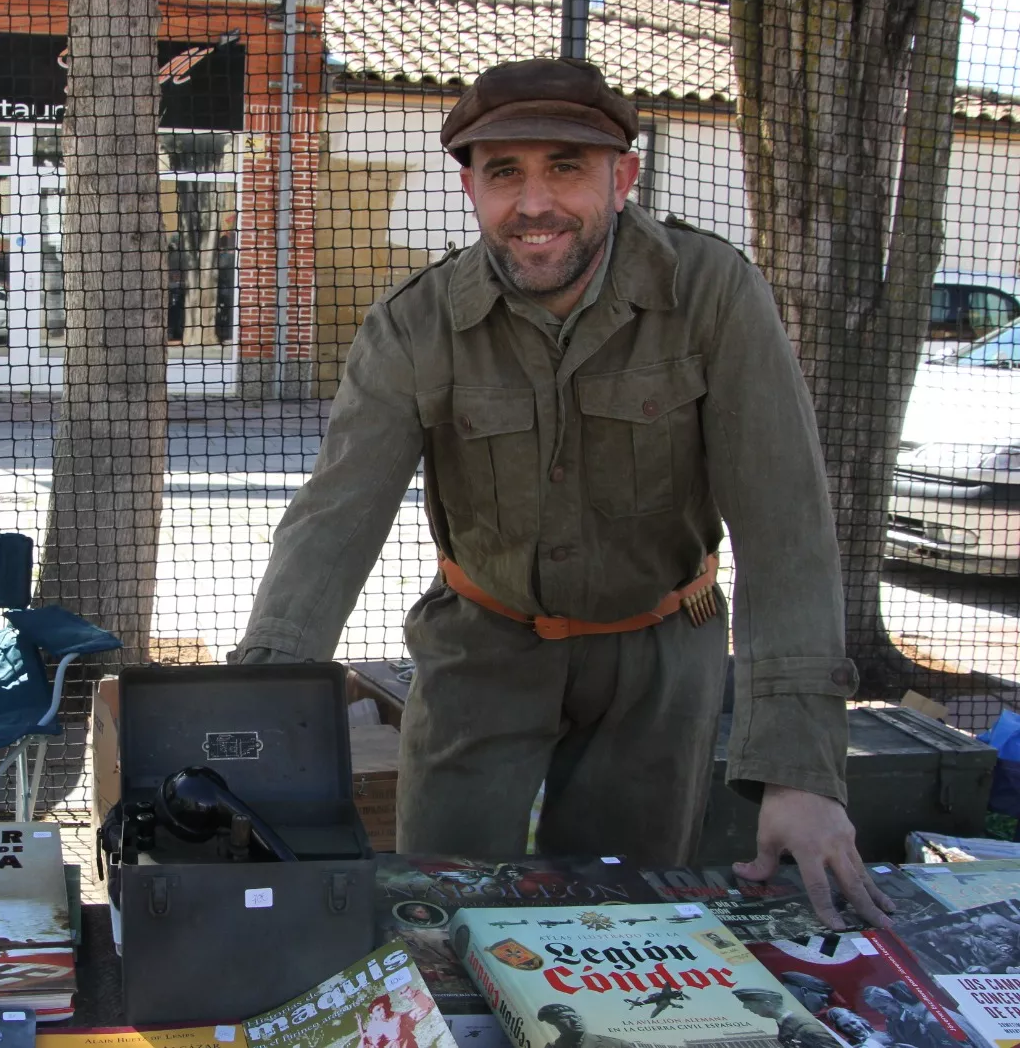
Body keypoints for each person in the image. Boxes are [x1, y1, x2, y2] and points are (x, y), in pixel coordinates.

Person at [227, 56, 890, 929]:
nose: (533, 203)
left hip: (661, 652)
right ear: (470, 188)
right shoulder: (414, 325)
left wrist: (802, 771)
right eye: (505, 172)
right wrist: (258, 702)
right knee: (442, 902)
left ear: (624, 177)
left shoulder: (711, 294)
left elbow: (786, 528)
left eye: (565, 167)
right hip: (483, 648)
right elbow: (334, 517)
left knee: (625, 912)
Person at [734, 988, 837, 1048]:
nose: (745, 1008)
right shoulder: (787, 1026)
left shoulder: (807, 1028)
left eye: (749, 1005)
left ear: (768, 1004)